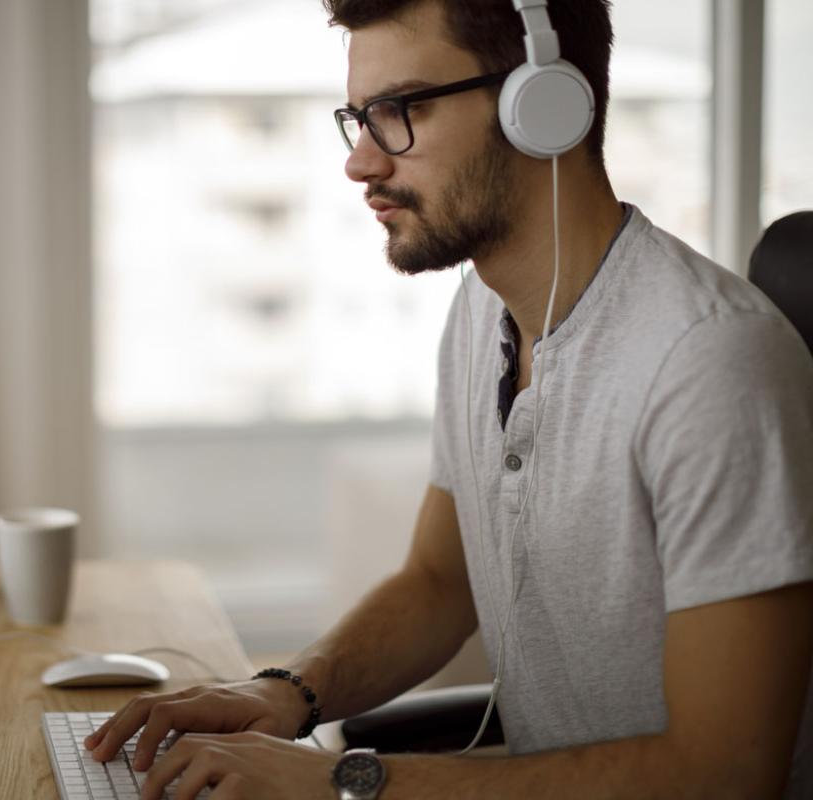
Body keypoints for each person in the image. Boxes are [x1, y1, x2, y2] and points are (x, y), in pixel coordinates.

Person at [85, 0, 813, 796]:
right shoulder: (482, 312)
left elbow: (724, 774)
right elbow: (439, 583)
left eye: (400, 111)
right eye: (359, 118)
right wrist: (283, 692)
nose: (361, 163)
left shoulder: (706, 359)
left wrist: (342, 782)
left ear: (543, 106)